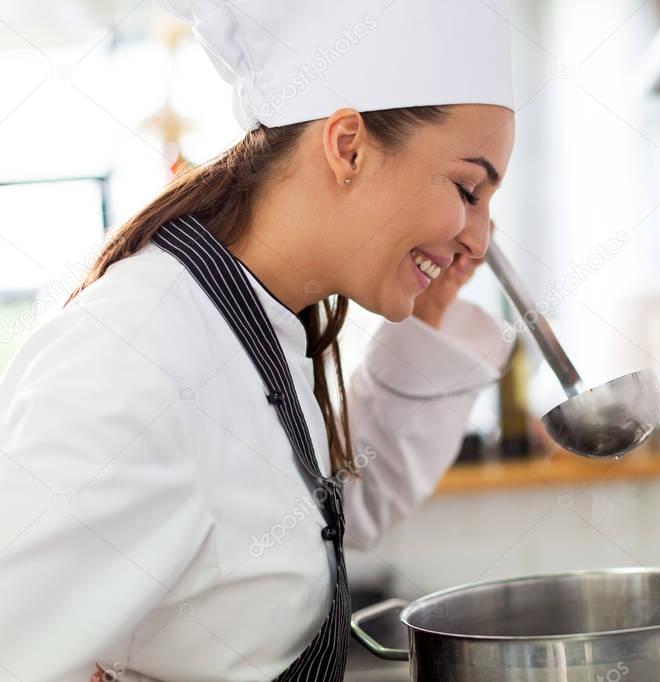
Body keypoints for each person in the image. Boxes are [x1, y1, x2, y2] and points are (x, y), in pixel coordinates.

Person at [0, 0, 516, 679]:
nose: (479, 239)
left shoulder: (259, 322)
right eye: (467, 189)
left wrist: (428, 312)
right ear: (347, 146)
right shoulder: (137, 352)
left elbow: (320, 509)